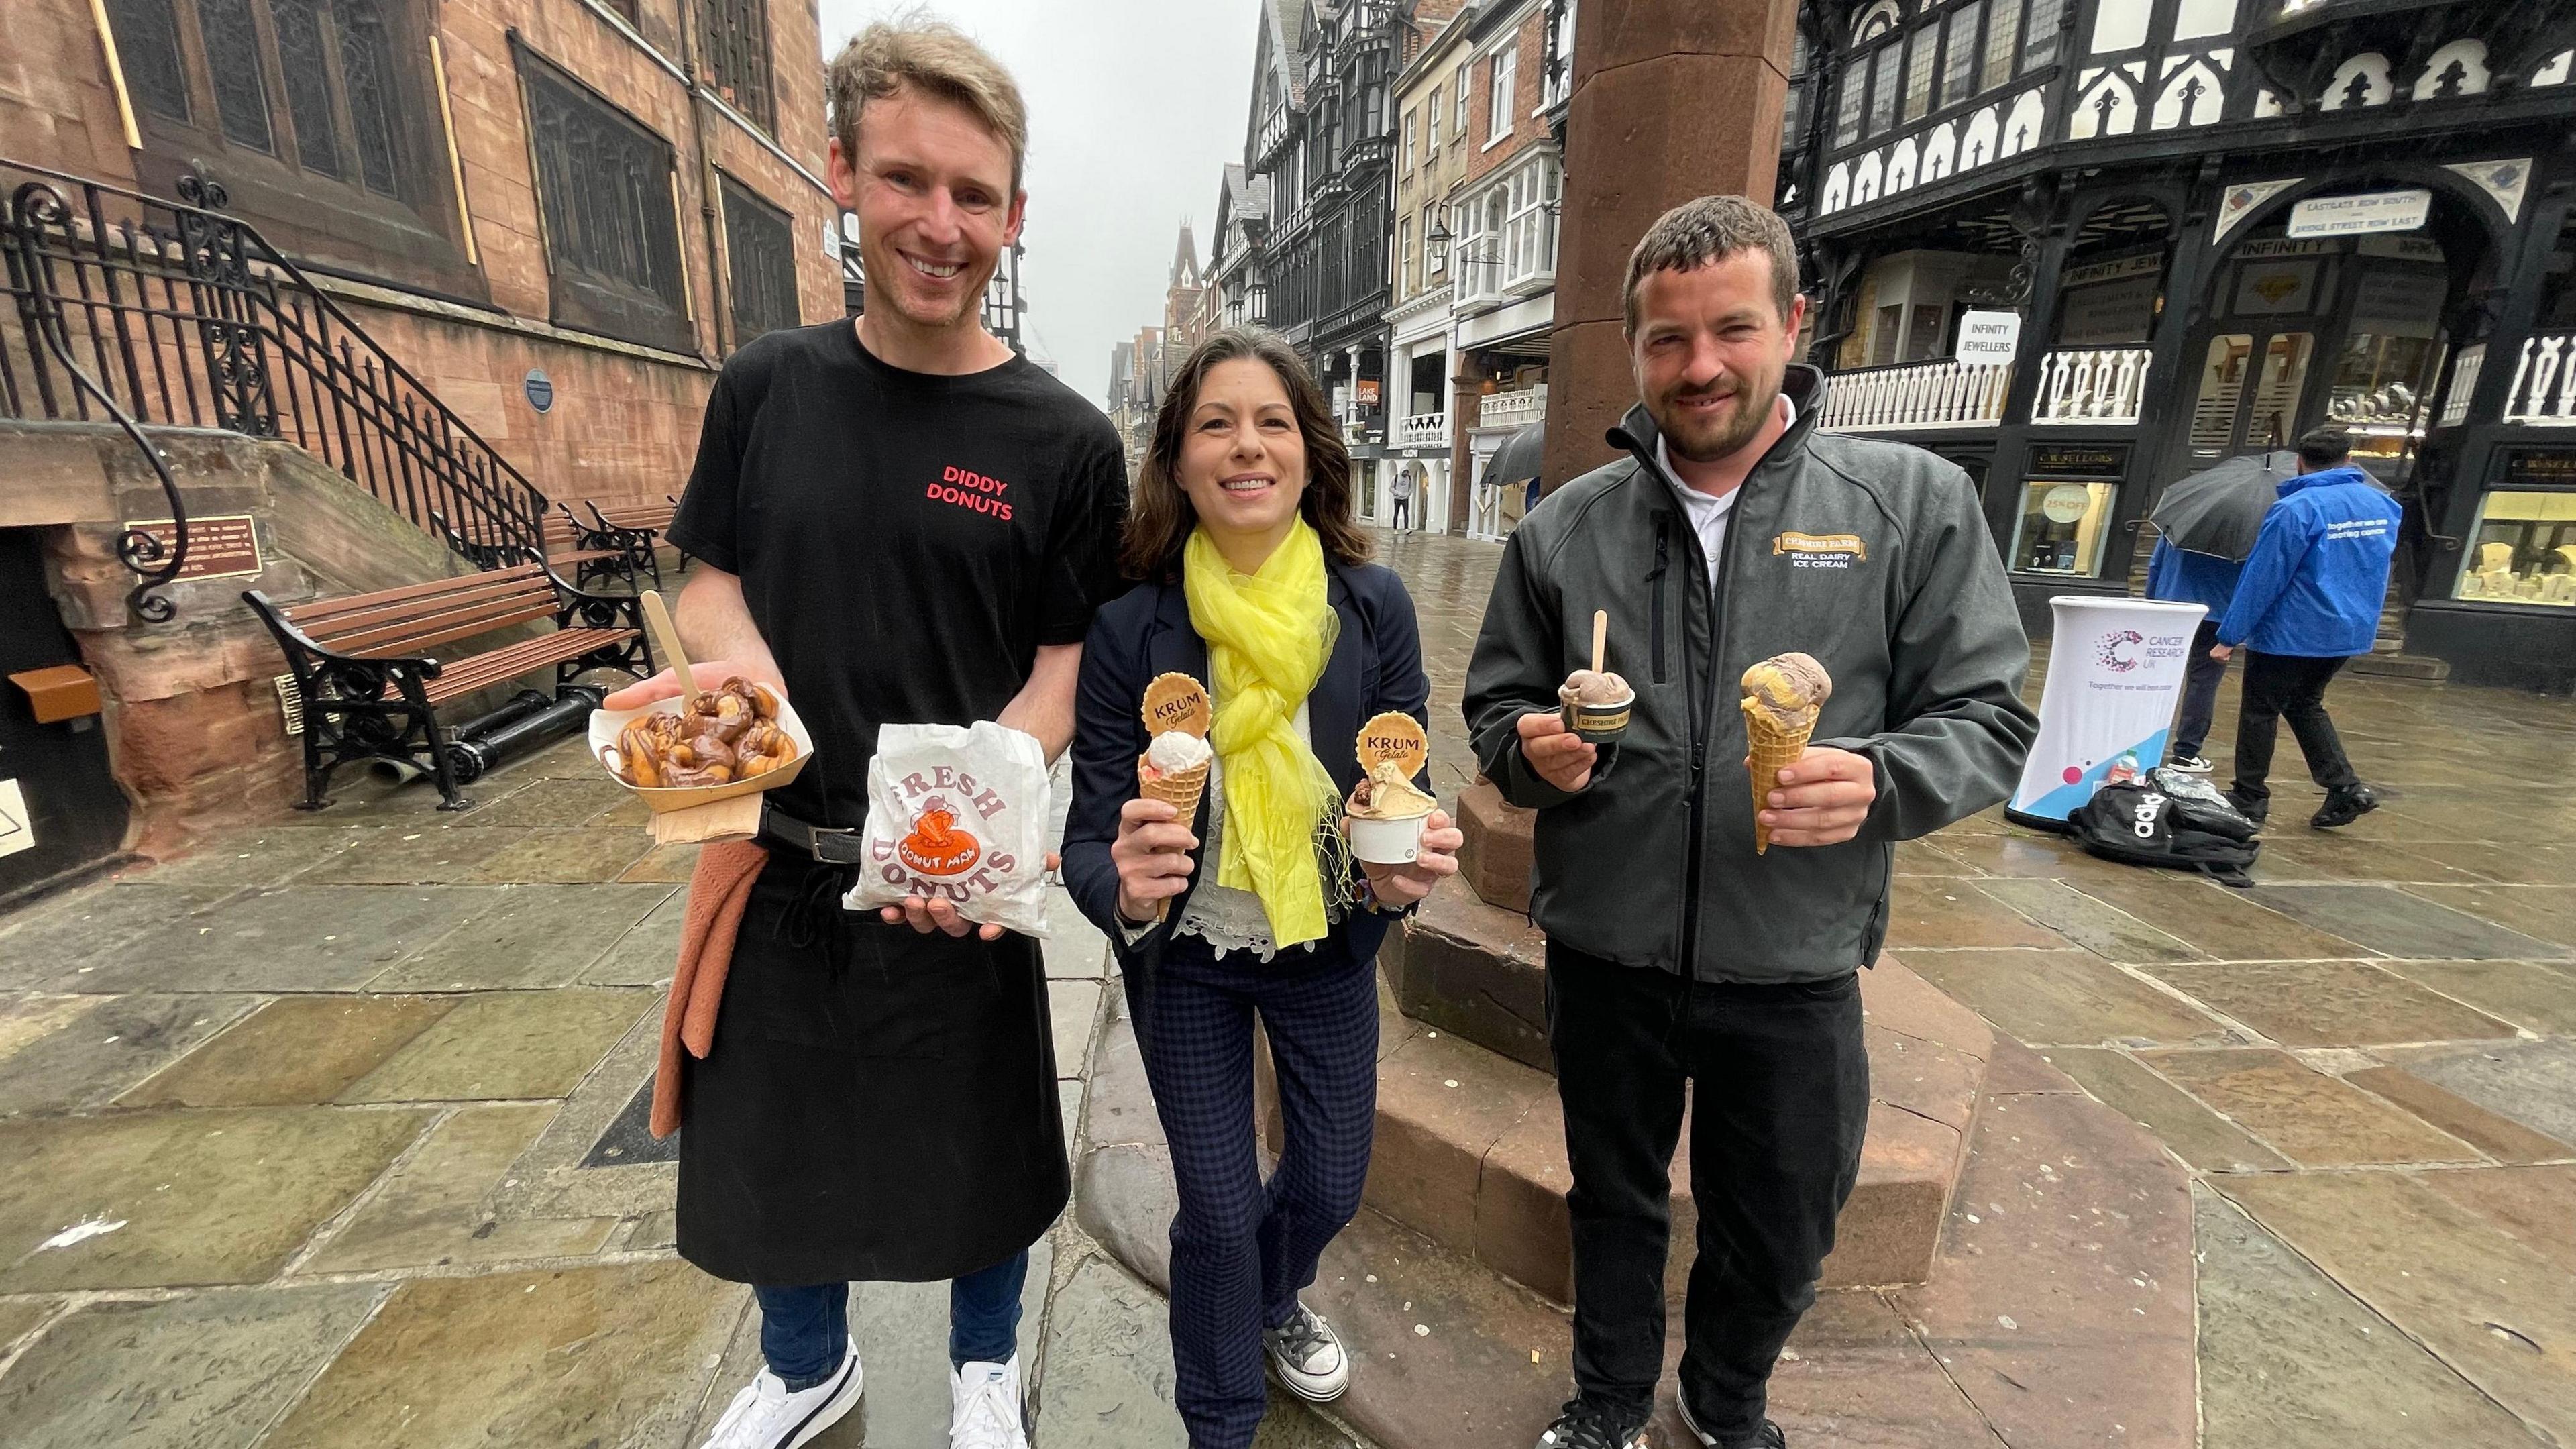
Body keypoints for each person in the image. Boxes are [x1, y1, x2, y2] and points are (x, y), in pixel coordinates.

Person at [604, 22, 1127, 1449]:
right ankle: (806, 1365)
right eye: (907, 180)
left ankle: (980, 1370)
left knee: (981, 1145)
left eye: (975, 195)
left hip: (953, 871)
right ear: (843, 173)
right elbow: (705, 577)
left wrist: (986, 801)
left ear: (1015, 215)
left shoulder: (1064, 440)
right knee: (779, 1142)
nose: (939, 224)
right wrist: (751, 695)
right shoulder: (768, 386)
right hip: (780, 859)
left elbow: (1073, 652)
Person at [1462, 196, 2038, 1449]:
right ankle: (1609, 1404)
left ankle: (1725, 1403)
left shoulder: (1911, 505)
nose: (1701, 366)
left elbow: (1992, 720)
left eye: (1731, 330)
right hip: (1606, 948)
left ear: (1792, 322)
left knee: (1781, 1223)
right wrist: (1532, 753)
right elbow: (1497, 705)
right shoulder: (1567, 527)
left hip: (1791, 960)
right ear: (1634, 350)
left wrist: (1883, 779)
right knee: (1613, 1202)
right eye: (1668, 341)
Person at [1061, 328, 1460, 1449]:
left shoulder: (1371, 607)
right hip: (1187, 958)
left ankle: (1272, 1302)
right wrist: (1126, 885)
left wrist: (1405, 866)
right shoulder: (1130, 630)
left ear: (1310, 452)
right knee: (1221, 1213)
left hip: (1327, 946)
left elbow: (1401, 783)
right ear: (1179, 460)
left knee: (1330, 1186)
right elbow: (1091, 837)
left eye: (1273, 421)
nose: (1247, 446)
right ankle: (1221, 1417)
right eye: (1216, 424)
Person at [2211, 425, 2399, 829]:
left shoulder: (2296, 509)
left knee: (2261, 710)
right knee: (2305, 702)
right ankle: (2344, 787)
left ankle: (2249, 797)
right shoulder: (2382, 505)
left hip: (2291, 631)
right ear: (2349, 460)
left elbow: (2265, 576)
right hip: (2348, 629)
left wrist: (2230, 634)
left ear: (2299, 462)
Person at [2145, 506, 2247, 773]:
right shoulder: (2250, 529)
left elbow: (2155, 565)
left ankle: (2140, 741)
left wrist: (2150, 605)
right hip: (2218, 613)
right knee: (2203, 684)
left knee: (2155, 677)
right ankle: (2186, 753)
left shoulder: (2183, 518)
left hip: (2171, 607)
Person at [1389, 465, 1413, 529]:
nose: (1406, 473)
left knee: (1406, 513)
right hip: (1397, 499)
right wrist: (1397, 493)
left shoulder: (1410, 478)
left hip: (1405, 499)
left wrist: (1408, 494)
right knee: (1396, 513)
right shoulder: (1396, 477)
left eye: (1407, 472)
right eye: (1405, 472)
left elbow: (1411, 488)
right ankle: (1395, 528)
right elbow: (1391, 488)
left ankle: (1406, 528)